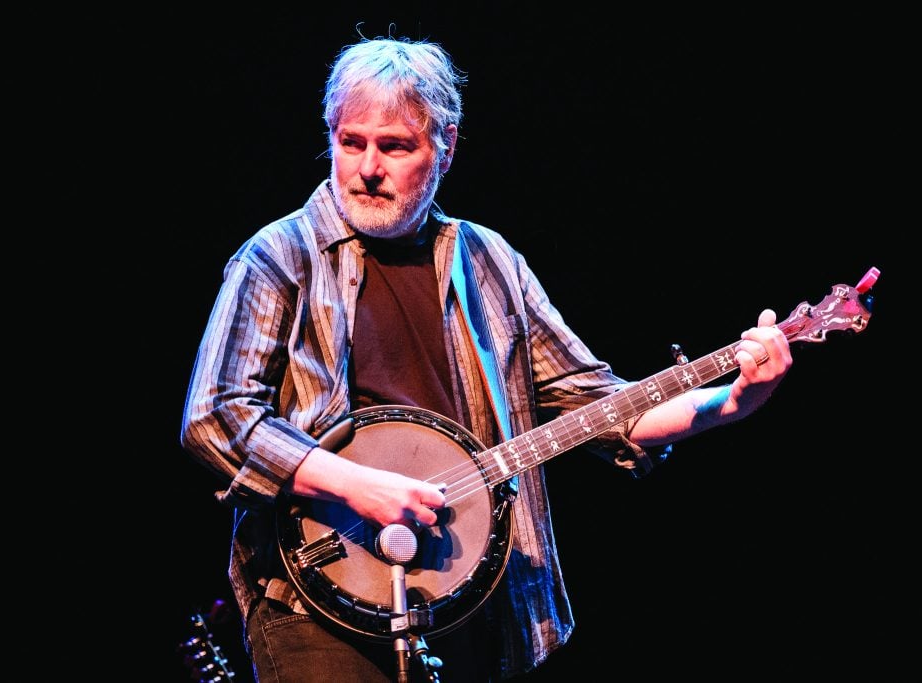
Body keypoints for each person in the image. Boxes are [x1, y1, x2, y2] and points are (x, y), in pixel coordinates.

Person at [180, 35, 792, 682]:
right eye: (350, 141)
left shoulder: (489, 262)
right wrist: (356, 483)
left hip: (464, 602)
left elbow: (603, 409)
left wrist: (731, 401)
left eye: (394, 146)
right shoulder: (279, 257)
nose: (366, 167)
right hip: (314, 603)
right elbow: (215, 417)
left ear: (444, 147)